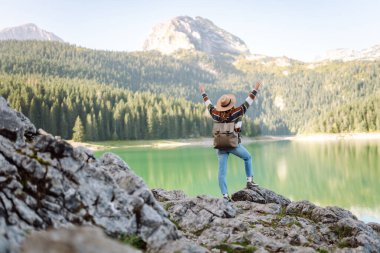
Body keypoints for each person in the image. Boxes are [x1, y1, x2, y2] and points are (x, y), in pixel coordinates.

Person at [199, 81, 262, 201]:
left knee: (221, 173)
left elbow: (209, 105)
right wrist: (255, 89)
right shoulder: (235, 112)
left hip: (220, 146)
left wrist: (203, 93)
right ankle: (249, 181)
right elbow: (248, 102)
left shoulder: (216, 114)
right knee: (247, 157)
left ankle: (225, 196)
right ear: (230, 104)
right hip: (232, 144)